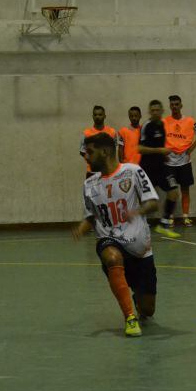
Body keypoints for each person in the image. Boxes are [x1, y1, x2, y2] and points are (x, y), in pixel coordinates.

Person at [72, 133, 160, 337]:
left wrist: (137, 212)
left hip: (140, 250)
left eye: (91, 152)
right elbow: (91, 218)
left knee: (148, 310)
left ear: (105, 151)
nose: (86, 156)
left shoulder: (132, 172)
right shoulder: (89, 185)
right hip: (109, 241)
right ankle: (130, 317)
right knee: (112, 257)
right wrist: (81, 228)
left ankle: (136, 301)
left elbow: (153, 202)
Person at [138, 100, 181, 238]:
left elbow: (161, 147)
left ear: (162, 111)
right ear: (150, 112)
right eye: (153, 110)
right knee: (150, 203)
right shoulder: (146, 126)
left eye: (158, 110)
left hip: (161, 167)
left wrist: (164, 156)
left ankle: (163, 224)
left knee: (174, 191)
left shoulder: (162, 125)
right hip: (147, 168)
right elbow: (140, 148)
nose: (155, 112)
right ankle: (134, 224)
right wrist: (159, 151)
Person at [163, 95, 196, 226]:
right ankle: (170, 217)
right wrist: (162, 152)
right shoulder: (164, 122)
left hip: (184, 161)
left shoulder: (190, 121)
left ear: (181, 105)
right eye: (172, 104)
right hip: (169, 162)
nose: (174, 107)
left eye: (177, 104)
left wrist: (191, 148)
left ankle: (185, 216)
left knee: (185, 189)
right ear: (170, 106)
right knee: (171, 190)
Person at [80, 105, 118, 177]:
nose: (97, 117)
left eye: (100, 114)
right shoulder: (86, 133)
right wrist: (93, 160)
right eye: (95, 115)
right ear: (93, 116)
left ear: (104, 116)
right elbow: (82, 151)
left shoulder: (112, 132)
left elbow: (113, 151)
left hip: (108, 171)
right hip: (92, 172)